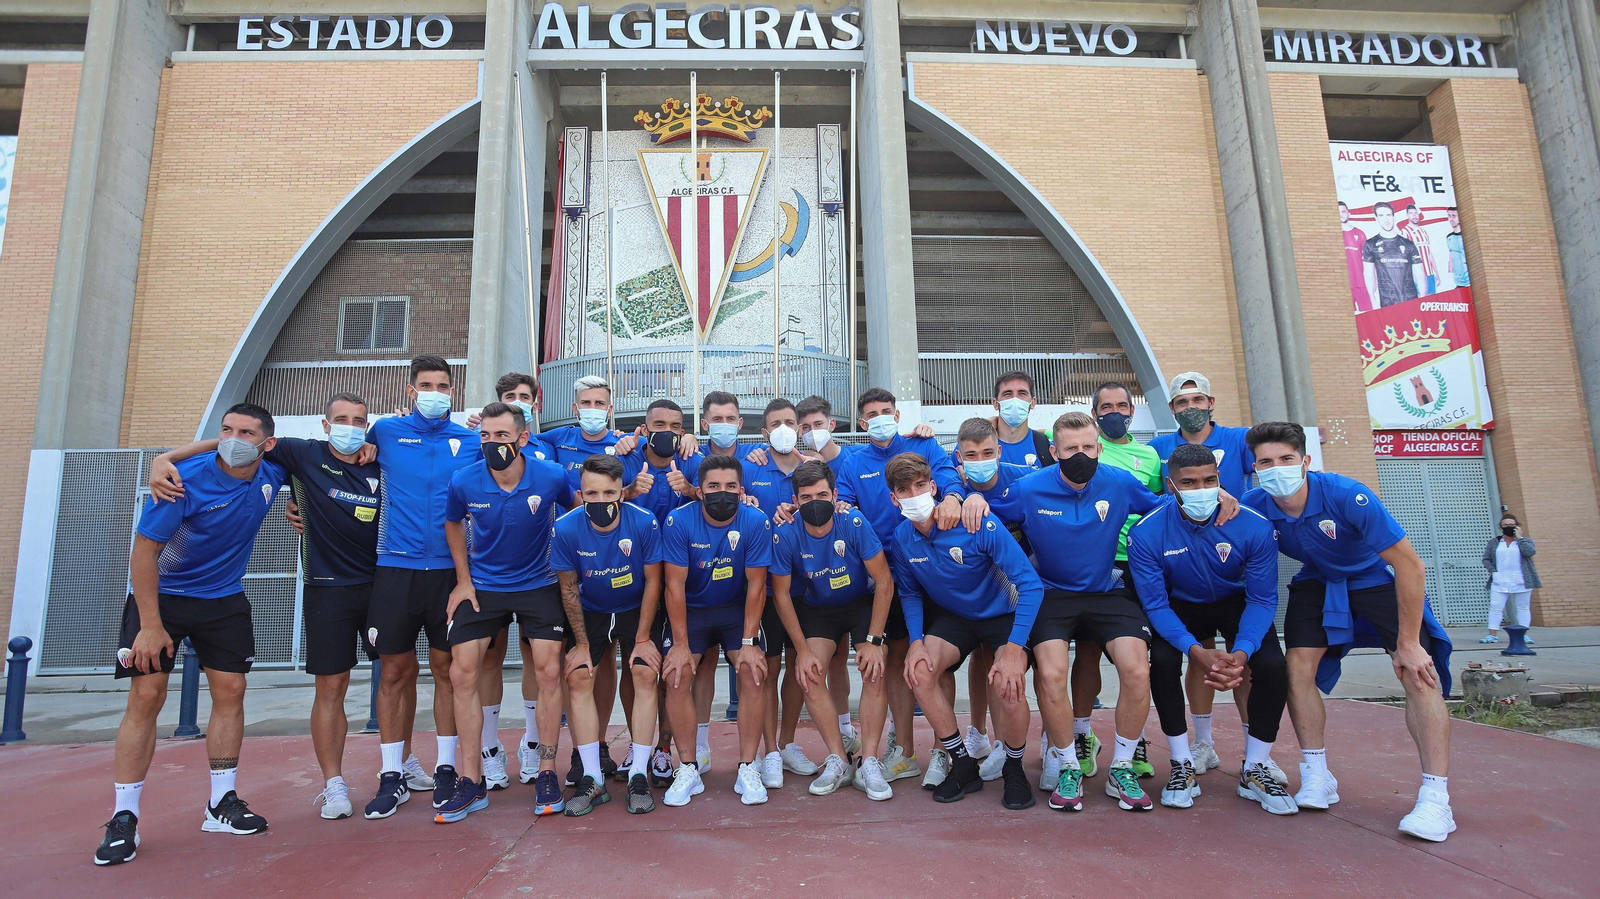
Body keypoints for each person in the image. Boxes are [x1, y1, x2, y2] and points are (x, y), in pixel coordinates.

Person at [147, 393, 386, 822]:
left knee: (398, 677)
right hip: (324, 588)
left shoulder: (380, 456)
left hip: (383, 584)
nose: (350, 427)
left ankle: (396, 770)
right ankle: (333, 784)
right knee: (330, 689)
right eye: (341, 419)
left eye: (359, 421)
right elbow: (243, 442)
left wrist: (298, 507)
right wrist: (165, 457)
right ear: (325, 424)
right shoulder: (296, 453)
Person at [1241, 421, 1456, 842]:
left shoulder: (1347, 495)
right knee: (1296, 668)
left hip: (1375, 578)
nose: (1276, 468)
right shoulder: (1253, 505)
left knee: (1417, 673)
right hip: (1318, 580)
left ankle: (1436, 800)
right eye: (1266, 462)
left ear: (1305, 462)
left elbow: (1410, 566)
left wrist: (1408, 643)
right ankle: (1317, 775)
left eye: (1286, 459)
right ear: (1254, 469)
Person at [97, 404, 287, 866]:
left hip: (222, 598)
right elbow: (144, 552)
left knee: (231, 690)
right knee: (147, 697)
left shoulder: (273, 473)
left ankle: (220, 804)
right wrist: (149, 624)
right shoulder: (179, 481)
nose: (232, 438)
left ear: (267, 443)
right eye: (226, 430)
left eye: (245, 432)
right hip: (161, 597)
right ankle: (124, 817)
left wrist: (169, 453)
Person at [989, 412, 1170, 812]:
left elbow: (1164, 507)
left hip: (1107, 592)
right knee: (1052, 673)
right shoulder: (1028, 489)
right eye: (1071, 449)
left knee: (1139, 669)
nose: (1081, 455)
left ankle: (1122, 767)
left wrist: (1219, 498)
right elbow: (988, 516)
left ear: (1100, 449)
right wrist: (962, 496)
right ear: (1054, 452)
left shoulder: (1119, 482)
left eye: (1088, 447)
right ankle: (1067, 763)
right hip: (1051, 596)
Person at [1129, 443, 1296, 815]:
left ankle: (1255, 767)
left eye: (1209, 480)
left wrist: (1242, 651)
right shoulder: (1147, 532)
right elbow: (1155, 604)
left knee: (1271, 665)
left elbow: (1263, 599)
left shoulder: (1253, 525)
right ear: (1171, 486)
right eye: (1189, 483)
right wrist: (1195, 651)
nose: (1201, 489)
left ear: (1220, 481)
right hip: (1180, 605)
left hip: (1237, 602)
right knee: (1165, 662)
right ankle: (1181, 763)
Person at [834, 387, 986, 784]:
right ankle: (904, 751)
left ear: (897, 415)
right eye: (873, 413)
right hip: (888, 574)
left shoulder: (924, 443)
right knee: (899, 662)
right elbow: (845, 504)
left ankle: (943, 752)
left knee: (937, 664)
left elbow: (950, 478)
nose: (881, 417)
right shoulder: (852, 462)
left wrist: (954, 497)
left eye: (888, 411)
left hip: (934, 568)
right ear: (863, 423)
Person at [439, 403, 574, 821]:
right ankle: (471, 779)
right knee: (462, 672)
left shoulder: (551, 475)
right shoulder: (464, 481)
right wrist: (464, 580)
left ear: (522, 437)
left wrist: (572, 572)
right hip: (485, 588)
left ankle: (548, 770)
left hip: (539, 585)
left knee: (550, 671)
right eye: (486, 436)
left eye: (501, 436)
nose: (493, 443)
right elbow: (452, 523)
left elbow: (578, 513)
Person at [360, 354, 481, 819]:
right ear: (411, 390)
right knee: (393, 672)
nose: (435, 392)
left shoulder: (470, 440)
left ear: (453, 391)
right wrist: (301, 513)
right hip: (395, 568)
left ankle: (447, 768)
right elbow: (339, 469)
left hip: (452, 572)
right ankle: (392, 774)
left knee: (449, 669)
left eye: (443, 385)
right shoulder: (385, 433)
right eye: (426, 385)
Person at [887, 453, 1044, 810]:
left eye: (920, 486)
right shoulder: (901, 538)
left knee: (1010, 682)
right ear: (893, 499)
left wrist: (1016, 649)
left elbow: (1031, 586)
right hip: (957, 618)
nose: (914, 494)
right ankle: (962, 763)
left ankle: (1014, 769)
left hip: (1003, 614)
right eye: (903, 490)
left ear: (934, 487)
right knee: (919, 672)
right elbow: (909, 592)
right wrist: (915, 642)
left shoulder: (975, 523)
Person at [1145, 371, 1258, 774]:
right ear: (1172, 409)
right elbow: (1155, 499)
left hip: (1237, 564)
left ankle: (1254, 753)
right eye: (1182, 402)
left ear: (1212, 403)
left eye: (1198, 400)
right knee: (1198, 655)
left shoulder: (1240, 439)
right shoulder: (1158, 447)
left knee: (1245, 659)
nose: (1191, 408)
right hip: (1184, 567)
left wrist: (1231, 500)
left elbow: (1264, 485)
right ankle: (1204, 743)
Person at [769, 460, 895, 798]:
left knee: (874, 668)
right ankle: (838, 758)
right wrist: (802, 651)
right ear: (794, 500)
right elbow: (781, 595)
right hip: (819, 610)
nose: (815, 502)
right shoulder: (784, 533)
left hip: (860, 605)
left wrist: (873, 640)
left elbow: (884, 581)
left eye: (822, 494)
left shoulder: (853, 521)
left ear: (835, 494)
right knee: (808, 673)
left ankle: (869, 760)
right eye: (806, 497)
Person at [551, 455, 668, 814]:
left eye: (609, 492)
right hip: (593, 611)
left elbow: (653, 582)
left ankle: (637, 775)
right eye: (591, 493)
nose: (600, 501)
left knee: (645, 673)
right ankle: (592, 778)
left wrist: (645, 637)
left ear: (622, 492)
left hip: (636, 609)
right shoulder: (566, 527)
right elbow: (568, 588)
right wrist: (583, 645)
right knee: (579, 676)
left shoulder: (644, 522)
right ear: (581, 493)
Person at [658, 455, 774, 807]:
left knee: (753, 672)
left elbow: (757, 586)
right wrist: (679, 645)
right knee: (676, 675)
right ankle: (688, 768)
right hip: (691, 610)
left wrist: (749, 643)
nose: (721, 493)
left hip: (736, 610)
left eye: (728, 487)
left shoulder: (755, 520)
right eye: (712, 487)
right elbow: (673, 587)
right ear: (699, 490)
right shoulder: (679, 521)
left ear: (741, 490)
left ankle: (747, 766)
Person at [1064, 381, 1166, 781]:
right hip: (1093, 564)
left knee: (1137, 659)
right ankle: (1082, 735)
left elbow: (1160, 506)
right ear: (1094, 413)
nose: (1114, 412)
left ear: (1131, 411)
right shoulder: (1077, 454)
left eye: (1121, 405)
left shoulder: (1148, 457)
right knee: (1086, 653)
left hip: (1137, 566)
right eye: (1105, 406)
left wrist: (1218, 497)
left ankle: (1134, 738)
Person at [947, 417, 1033, 782]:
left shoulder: (1025, 480)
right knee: (980, 659)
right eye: (971, 454)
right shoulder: (951, 487)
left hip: (1019, 583)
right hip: (975, 586)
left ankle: (1007, 743)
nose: (979, 459)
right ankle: (979, 734)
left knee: (1010, 666)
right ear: (959, 457)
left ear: (999, 452)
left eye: (987, 452)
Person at [741, 398, 819, 787]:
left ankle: (787, 743)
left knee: (798, 664)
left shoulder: (814, 468)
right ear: (764, 431)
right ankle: (769, 751)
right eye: (776, 423)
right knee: (768, 669)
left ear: (800, 428)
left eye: (791, 422)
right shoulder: (750, 465)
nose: (785, 428)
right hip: (768, 590)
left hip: (809, 584)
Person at [1481, 513, 1540, 644]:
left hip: (1521, 580)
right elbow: (1486, 559)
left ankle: (1523, 634)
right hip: (1500, 580)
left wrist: (1519, 538)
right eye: (1505, 525)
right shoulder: (1495, 542)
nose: (1509, 527)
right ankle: (1492, 634)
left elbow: (1530, 552)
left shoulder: (1525, 541)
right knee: (1496, 607)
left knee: (1523, 607)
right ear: (1501, 528)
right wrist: (1493, 571)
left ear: (1517, 526)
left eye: (1512, 525)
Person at [1362, 201, 1426, 307]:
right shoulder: (1370, 244)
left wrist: (1422, 298)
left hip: (1411, 300)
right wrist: (1372, 299)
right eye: (1381, 215)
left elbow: (1419, 274)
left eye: (1388, 215)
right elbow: (1369, 275)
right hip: (1386, 302)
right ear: (1376, 218)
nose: (1386, 219)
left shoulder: (1408, 244)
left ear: (1393, 216)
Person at [990, 370, 1049, 469]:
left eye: (1022, 393)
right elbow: (954, 475)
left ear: (1033, 402)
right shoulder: (976, 444)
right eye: (1007, 394)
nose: (1015, 400)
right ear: (996, 403)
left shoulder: (1046, 447)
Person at [1339, 202, 1372, 311]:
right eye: (1338, 212)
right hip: (1342, 284)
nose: (1341, 214)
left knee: (1367, 315)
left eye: (1343, 211)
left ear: (1349, 213)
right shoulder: (1332, 235)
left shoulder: (1359, 233)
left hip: (1360, 282)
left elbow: (1369, 260)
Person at [1400, 204, 1438, 296]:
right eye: (1411, 213)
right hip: (1416, 275)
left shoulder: (1423, 232)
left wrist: (1436, 272)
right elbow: (1403, 255)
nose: (1414, 215)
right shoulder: (1405, 231)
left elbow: (1429, 253)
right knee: (1420, 300)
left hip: (1429, 273)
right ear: (1407, 216)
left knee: (1431, 299)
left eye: (1415, 213)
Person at [1445, 207, 1469, 289]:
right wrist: (1449, 275)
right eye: (1449, 216)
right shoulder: (1449, 237)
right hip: (1458, 282)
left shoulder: (1466, 236)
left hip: (1469, 282)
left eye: (1454, 216)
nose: (1451, 219)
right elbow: (1451, 258)